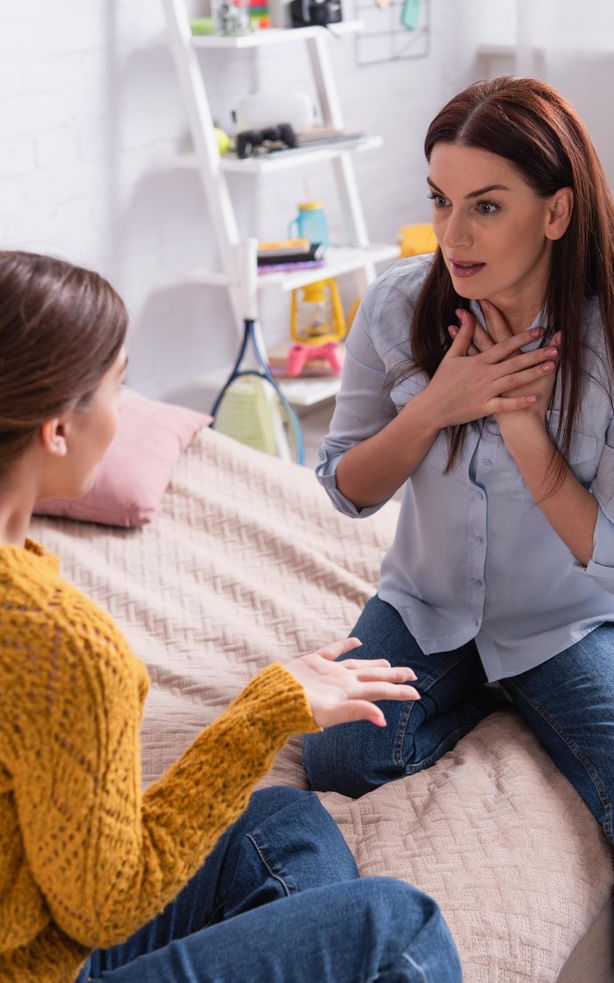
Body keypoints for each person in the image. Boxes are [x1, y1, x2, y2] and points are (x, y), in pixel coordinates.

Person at [0, 250, 463, 983]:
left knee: (281, 823)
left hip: (31, 929)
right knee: (398, 929)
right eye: (121, 387)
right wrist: (262, 714)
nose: (126, 413)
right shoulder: (62, 644)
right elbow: (106, 905)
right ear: (57, 429)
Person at [303, 76, 614, 853]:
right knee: (339, 756)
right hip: (425, 608)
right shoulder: (393, 306)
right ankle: (483, 691)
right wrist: (434, 407)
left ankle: (519, 685)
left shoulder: (605, 340)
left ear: (556, 211)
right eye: (441, 199)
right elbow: (346, 489)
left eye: (486, 204)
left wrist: (523, 431)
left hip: (564, 622)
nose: (453, 232)